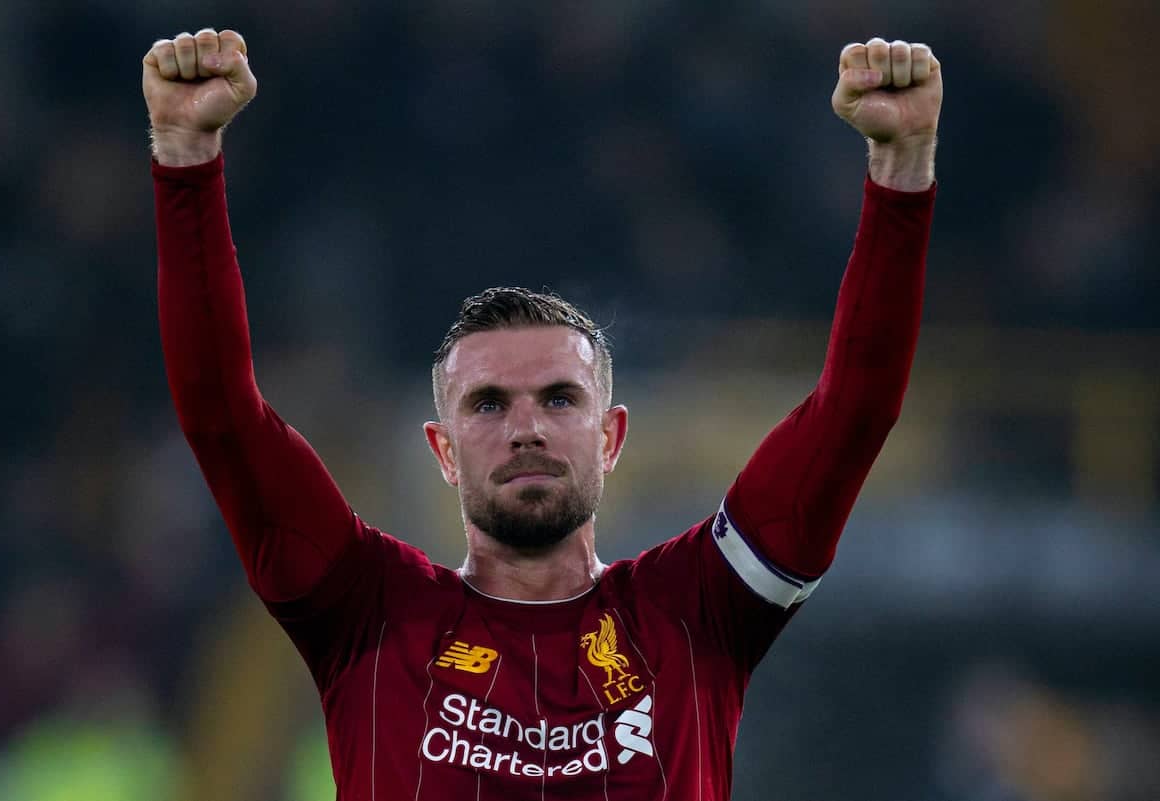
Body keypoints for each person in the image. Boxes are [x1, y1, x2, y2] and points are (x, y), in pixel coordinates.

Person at [144, 27, 942, 801]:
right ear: (444, 451)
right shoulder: (370, 614)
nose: (525, 426)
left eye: (559, 397)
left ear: (611, 435)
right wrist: (185, 160)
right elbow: (221, 415)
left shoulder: (697, 610)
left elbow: (855, 409)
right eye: (487, 403)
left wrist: (902, 171)